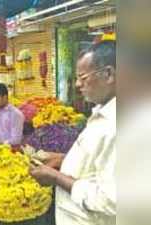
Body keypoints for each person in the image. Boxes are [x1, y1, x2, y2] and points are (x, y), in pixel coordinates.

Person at [30, 41, 116, 225]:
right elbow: (99, 160)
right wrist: (63, 159)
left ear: (108, 74)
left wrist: (56, 177)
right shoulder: (102, 114)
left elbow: (112, 200)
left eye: (83, 78)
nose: (77, 85)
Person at [0, 83, 25, 147]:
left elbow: (16, 139)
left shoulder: (16, 114)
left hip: (12, 152)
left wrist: (1, 144)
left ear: (5, 97)